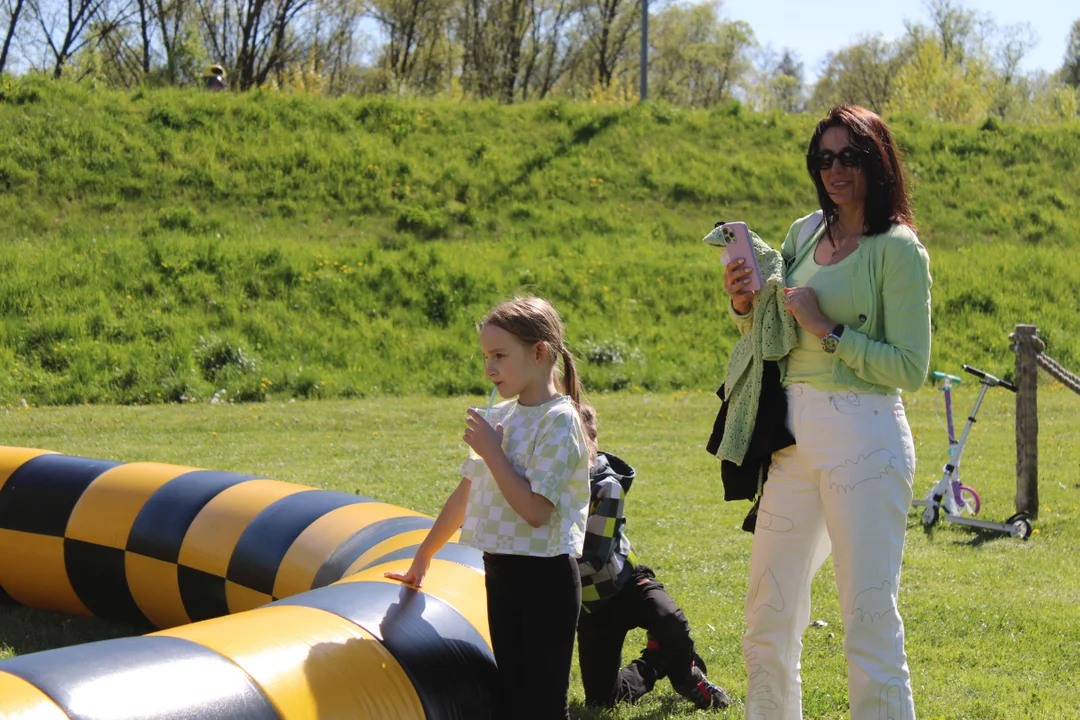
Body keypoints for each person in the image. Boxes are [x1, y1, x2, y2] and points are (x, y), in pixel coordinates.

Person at [722, 105, 931, 720]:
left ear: (876, 160)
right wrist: (744, 301)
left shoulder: (898, 249)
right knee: (768, 613)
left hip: (865, 437)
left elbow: (910, 367)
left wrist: (830, 330)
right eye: (824, 158)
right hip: (793, 442)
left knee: (866, 618)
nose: (835, 169)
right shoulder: (803, 233)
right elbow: (772, 333)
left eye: (849, 156)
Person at [385, 295, 591, 720]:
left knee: (543, 705)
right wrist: (424, 555)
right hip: (501, 571)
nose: (489, 368)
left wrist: (494, 454)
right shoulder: (504, 415)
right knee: (513, 698)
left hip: (545, 580)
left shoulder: (560, 420)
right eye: (485, 357)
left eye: (499, 355)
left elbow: (536, 512)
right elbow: (466, 492)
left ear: (540, 353)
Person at [575, 403, 731, 711]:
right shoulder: (544, 484)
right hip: (593, 606)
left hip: (628, 584)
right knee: (601, 700)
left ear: (593, 442)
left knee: (669, 619)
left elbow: (593, 558)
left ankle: (686, 675)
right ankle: (655, 662)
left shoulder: (606, 486)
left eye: (579, 442)